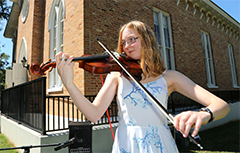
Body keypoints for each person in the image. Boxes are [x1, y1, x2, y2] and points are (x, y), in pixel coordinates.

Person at [56, 21, 230, 153]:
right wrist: (69, 83)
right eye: (123, 42)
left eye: (132, 39)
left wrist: (203, 114)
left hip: (159, 145)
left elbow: (222, 106)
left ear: (147, 40)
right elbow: (93, 114)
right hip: (127, 143)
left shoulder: (169, 77)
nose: (126, 46)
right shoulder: (117, 75)